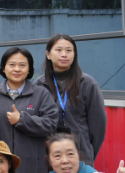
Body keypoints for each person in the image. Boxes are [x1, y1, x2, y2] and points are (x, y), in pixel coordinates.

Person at [0, 47, 59, 173]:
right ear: (3, 68)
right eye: (12, 64)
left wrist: (22, 120)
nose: (17, 69)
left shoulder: (41, 94)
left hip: (32, 170)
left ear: (29, 69)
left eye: (22, 65)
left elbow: (51, 124)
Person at [38, 34, 107, 165]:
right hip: (48, 157)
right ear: (48, 54)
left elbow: (98, 127)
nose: (64, 54)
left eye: (69, 50)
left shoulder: (88, 83)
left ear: (74, 54)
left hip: (80, 156)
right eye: (59, 50)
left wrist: (87, 151)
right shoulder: (39, 85)